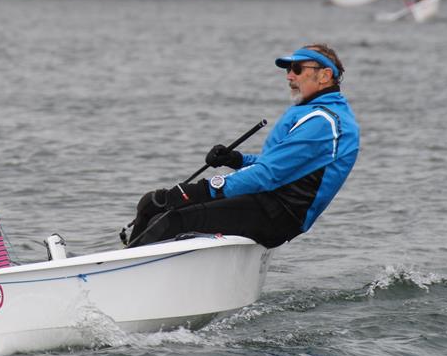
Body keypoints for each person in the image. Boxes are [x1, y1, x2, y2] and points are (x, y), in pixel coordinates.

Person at [127, 43, 359, 249]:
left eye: (297, 69)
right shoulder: (318, 113)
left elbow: (268, 175)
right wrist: (236, 160)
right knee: (152, 203)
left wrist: (201, 189)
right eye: (288, 70)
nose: (289, 76)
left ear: (325, 75)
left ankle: (125, 279)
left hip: (277, 214)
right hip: (264, 201)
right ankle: (123, 262)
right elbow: (283, 165)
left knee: (167, 220)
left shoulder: (324, 122)